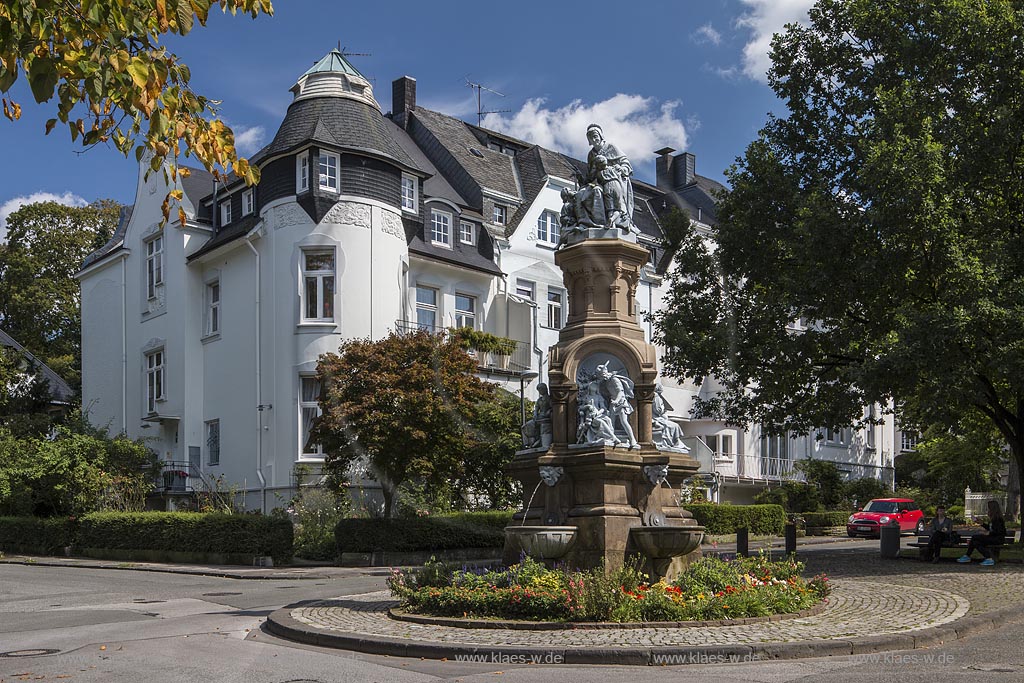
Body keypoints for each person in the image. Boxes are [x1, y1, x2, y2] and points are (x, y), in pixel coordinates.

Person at [958, 500, 1007, 566]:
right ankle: (987, 558)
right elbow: (991, 528)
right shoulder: (993, 518)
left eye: (988, 508)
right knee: (975, 542)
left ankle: (968, 555)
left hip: (997, 539)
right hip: (993, 537)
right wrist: (982, 523)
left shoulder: (998, 519)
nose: (987, 510)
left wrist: (988, 533)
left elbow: (1000, 531)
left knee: (975, 537)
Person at [521, 383, 552, 449]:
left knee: (543, 427)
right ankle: (527, 444)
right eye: (539, 390)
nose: (540, 391)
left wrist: (548, 412)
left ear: (545, 389)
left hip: (545, 418)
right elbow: (536, 409)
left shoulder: (549, 398)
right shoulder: (539, 400)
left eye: (541, 389)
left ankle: (538, 441)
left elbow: (552, 408)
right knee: (524, 427)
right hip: (539, 418)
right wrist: (535, 415)